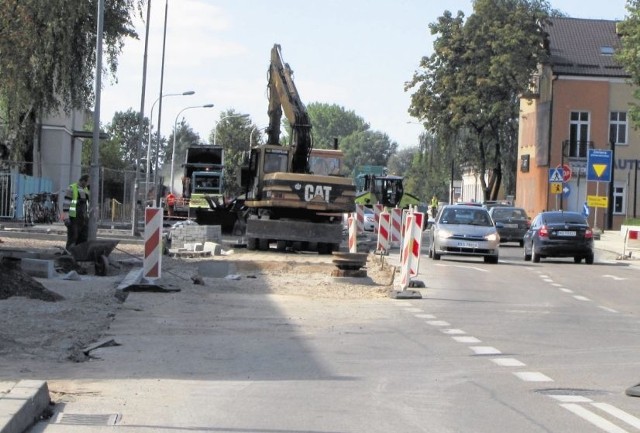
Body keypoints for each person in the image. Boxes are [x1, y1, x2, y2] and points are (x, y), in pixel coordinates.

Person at [62, 174, 90, 250]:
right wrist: (66, 218)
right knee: (73, 238)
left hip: (84, 218)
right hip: (74, 218)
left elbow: (87, 205)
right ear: (83, 181)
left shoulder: (86, 190)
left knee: (83, 238)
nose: (88, 184)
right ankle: (69, 256)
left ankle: (79, 255)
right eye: (87, 182)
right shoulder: (72, 188)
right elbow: (66, 204)